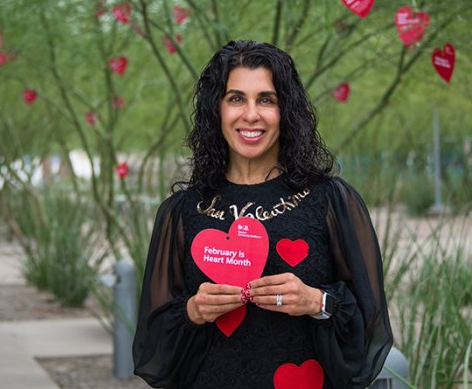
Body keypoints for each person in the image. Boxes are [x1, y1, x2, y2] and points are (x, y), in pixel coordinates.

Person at [133, 40, 392, 388]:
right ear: (216, 109)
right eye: (236, 98)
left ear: (286, 110)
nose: (251, 114)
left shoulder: (331, 200)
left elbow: (369, 327)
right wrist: (194, 312)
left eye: (266, 99)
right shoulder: (182, 212)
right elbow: (155, 347)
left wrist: (316, 301)